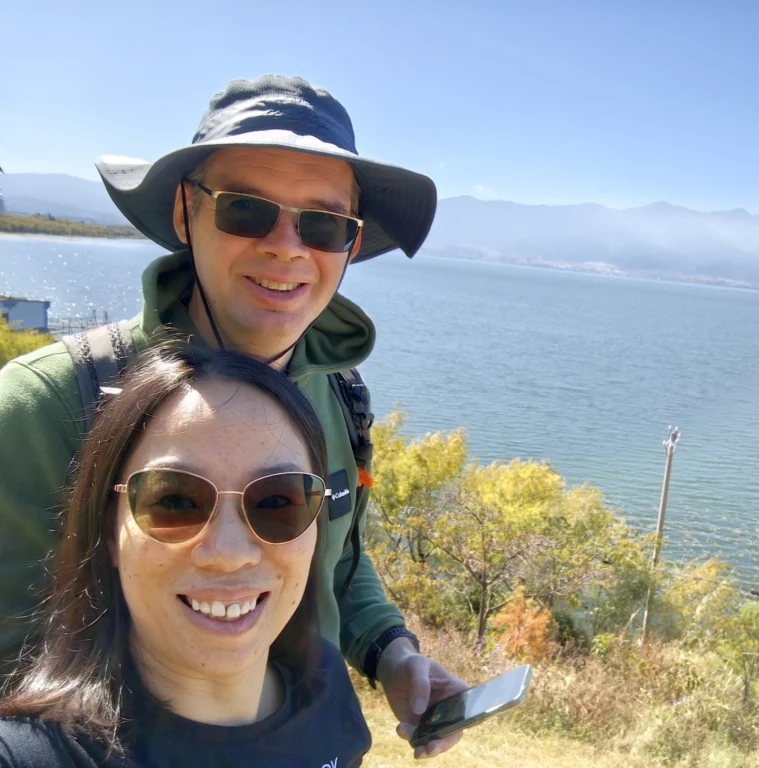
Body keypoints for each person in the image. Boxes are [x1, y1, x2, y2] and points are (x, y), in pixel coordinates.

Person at [0, 76, 465, 759]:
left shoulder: (336, 396)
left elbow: (335, 558)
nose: (287, 246)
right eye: (247, 210)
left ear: (350, 242)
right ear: (185, 212)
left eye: (323, 223)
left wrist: (392, 653)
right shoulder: (46, 405)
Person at [0, 343, 373, 766]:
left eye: (277, 502)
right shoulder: (28, 757)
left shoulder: (327, 688)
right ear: (108, 530)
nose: (229, 554)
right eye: (175, 502)